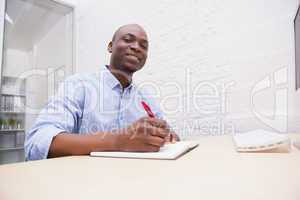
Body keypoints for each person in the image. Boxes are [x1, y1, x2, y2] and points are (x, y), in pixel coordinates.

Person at [25, 24, 179, 160]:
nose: (136, 47)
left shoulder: (147, 98)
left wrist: (167, 136)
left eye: (143, 46)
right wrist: (118, 141)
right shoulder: (78, 85)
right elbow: (37, 143)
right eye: (128, 39)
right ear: (110, 46)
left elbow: (170, 136)